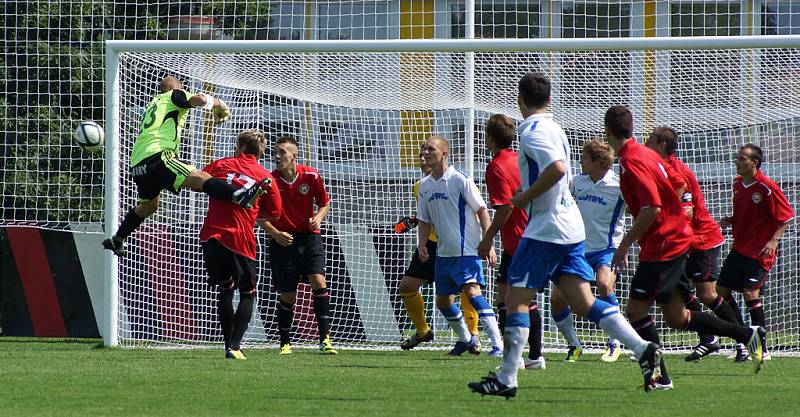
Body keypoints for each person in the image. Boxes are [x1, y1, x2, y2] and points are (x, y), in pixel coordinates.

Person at [468, 73, 663, 398]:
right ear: (549, 100)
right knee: (584, 302)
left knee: (515, 299)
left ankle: (506, 378)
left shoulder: (532, 130)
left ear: (519, 100)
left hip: (547, 227)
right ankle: (643, 349)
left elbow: (557, 169)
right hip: (569, 227)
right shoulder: (556, 127)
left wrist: (524, 197)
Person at [604, 106, 765, 384]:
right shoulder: (645, 154)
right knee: (678, 317)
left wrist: (624, 245)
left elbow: (651, 207)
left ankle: (660, 377)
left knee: (636, 311)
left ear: (607, 131)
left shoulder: (632, 159)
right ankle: (747, 334)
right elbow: (674, 184)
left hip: (664, 243)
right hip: (676, 239)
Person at [103, 76, 269, 256]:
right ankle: (239, 196)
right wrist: (220, 104)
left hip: (137, 164)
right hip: (158, 156)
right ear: (177, 87)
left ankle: (117, 239)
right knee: (202, 177)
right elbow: (201, 99)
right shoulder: (174, 95)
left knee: (149, 207)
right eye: (182, 87)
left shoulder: (153, 103)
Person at [645, 127, 742, 362]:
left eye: (649, 140)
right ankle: (708, 339)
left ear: (661, 146)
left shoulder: (676, 171)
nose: (644, 144)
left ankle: (744, 340)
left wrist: (656, 217)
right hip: (679, 240)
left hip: (700, 238)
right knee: (678, 289)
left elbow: (687, 212)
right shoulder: (659, 169)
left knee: (707, 293)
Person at [415, 136, 504, 357]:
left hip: (467, 250)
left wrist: (487, 241)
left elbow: (482, 210)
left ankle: (498, 344)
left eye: (431, 149)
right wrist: (422, 244)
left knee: (472, 292)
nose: (425, 152)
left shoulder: (460, 179)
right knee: (443, 301)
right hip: (444, 253)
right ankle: (466, 340)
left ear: (444, 154)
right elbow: (424, 219)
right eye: (424, 148)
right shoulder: (425, 186)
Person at [199, 130, 283, 360]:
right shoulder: (264, 175)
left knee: (225, 288)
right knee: (248, 292)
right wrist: (253, 210)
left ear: (239, 146)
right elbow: (275, 213)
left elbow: (199, 180)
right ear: (260, 151)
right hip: (239, 238)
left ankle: (228, 345)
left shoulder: (220, 164)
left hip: (210, 236)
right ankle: (234, 346)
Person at [396, 146, 481, 352]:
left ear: (441, 156)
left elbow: (471, 209)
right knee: (407, 287)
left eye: (428, 154)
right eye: (421, 155)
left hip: (457, 244)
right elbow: (427, 214)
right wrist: (412, 223)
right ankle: (422, 331)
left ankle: (474, 335)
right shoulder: (419, 186)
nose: (423, 159)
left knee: (465, 289)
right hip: (431, 245)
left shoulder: (458, 179)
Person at [476, 113, 544, 370]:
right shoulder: (519, 159)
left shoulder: (496, 166)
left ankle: (531, 357)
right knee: (505, 296)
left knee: (518, 300)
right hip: (529, 236)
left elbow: (504, 209)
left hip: (518, 242)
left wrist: (487, 238)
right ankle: (523, 355)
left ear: (490, 138)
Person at [550, 139, 626, 363]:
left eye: (584, 157)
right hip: (579, 249)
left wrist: (628, 245)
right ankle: (574, 345)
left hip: (606, 249)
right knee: (557, 299)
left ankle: (615, 342)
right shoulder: (577, 182)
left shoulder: (619, 186)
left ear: (599, 161)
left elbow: (639, 210)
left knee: (604, 284)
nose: (580, 160)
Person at [717, 143, 794, 361]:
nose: (737, 161)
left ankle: (762, 347)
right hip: (740, 248)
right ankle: (744, 337)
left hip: (760, 251)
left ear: (754, 163)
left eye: (742, 158)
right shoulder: (738, 184)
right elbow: (747, 213)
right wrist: (731, 220)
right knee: (721, 291)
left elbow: (787, 217)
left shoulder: (766, 186)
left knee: (751, 293)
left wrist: (773, 240)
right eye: (737, 157)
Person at [260, 136, 336, 355]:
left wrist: (319, 218)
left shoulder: (311, 175)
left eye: (282, 152)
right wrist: (275, 233)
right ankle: (285, 342)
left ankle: (325, 340)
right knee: (288, 295)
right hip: (282, 241)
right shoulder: (269, 180)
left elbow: (325, 203)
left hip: (309, 237)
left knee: (319, 281)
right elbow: (258, 214)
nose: (277, 156)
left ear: (295, 156)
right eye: (275, 152)